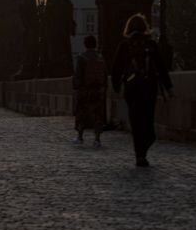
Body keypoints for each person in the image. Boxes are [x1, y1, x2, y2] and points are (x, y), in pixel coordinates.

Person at [111, 14, 173, 167]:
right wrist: (169, 88)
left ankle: (139, 154)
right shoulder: (150, 44)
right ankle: (142, 152)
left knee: (136, 122)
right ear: (145, 27)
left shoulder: (125, 45)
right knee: (148, 124)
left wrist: (117, 86)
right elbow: (161, 67)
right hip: (149, 88)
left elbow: (116, 68)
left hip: (131, 89)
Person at [72, 34, 108, 146]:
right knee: (98, 115)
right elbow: (105, 75)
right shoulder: (100, 57)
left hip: (85, 90)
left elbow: (78, 76)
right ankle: (97, 139)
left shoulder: (82, 58)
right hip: (98, 90)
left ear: (85, 44)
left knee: (81, 113)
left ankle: (80, 137)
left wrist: (76, 87)